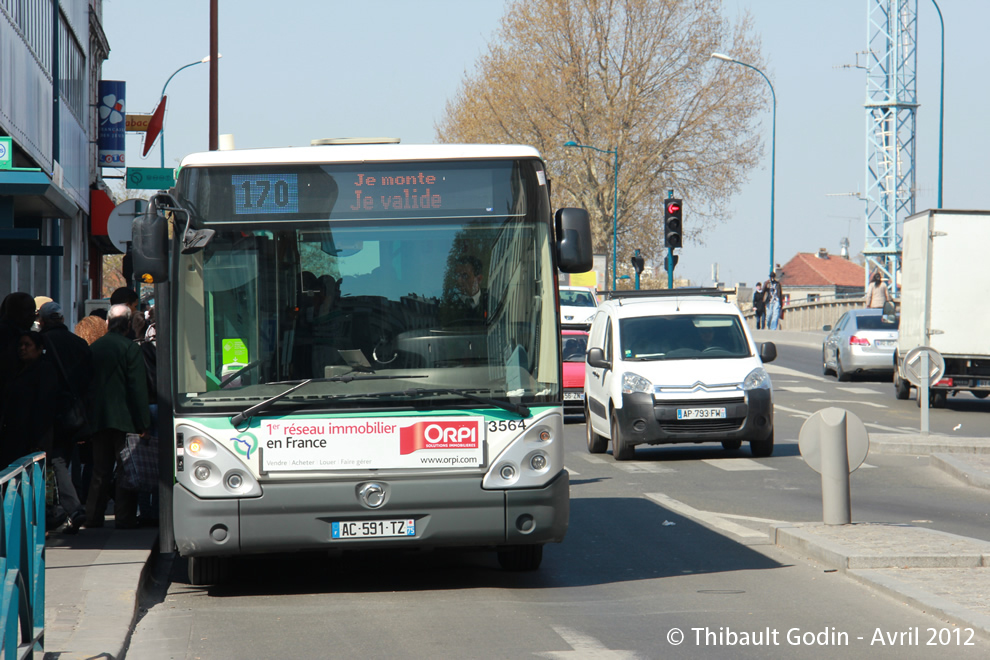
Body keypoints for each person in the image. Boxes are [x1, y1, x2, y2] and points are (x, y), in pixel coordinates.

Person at [84, 304, 151, 530]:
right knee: (126, 470)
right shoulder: (130, 349)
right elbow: (137, 389)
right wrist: (144, 423)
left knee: (99, 471)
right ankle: (125, 518)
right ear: (129, 324)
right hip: (125, 420)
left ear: (107, 323)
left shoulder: (94, 348)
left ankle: (93, 516)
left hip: (99, 419)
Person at [38, 302, 93, 532]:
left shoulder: (42, 343)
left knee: (56, 460)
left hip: (51, 411)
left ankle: (72, 508)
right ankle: (69, 507)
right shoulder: (79, 343)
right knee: (69, 457)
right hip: (76, 411)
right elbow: (90, 378)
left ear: (43, 321)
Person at [0, 331, 58, 469]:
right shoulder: (18, 370)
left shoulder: (44, 370)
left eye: (27, 345)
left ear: (39, 348)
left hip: (33, 436)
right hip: (15, 433)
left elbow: (45, 404)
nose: (23, 348)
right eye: (20, 345)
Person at [0, 293, 37, 410]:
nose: (33, 316)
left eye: (34, 311)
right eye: (28, 311)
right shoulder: (8, 336)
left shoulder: (23, 334)